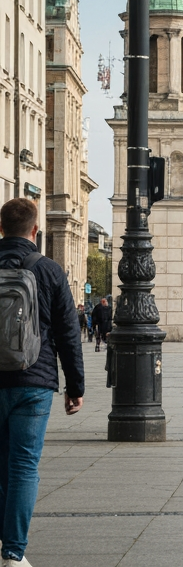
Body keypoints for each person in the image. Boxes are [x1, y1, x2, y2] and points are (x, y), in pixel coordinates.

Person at [0, 198, 84, 567]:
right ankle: (13, 553)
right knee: (23, 465)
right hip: (35, 380)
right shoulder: (49, 269)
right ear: (36, 231)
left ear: (1, 228)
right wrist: (75, 386)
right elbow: (69, 333)